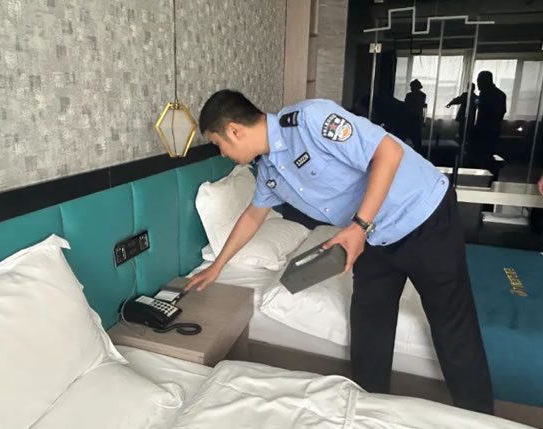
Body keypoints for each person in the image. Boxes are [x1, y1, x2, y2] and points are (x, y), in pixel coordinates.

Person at [186, 89, 494, 414]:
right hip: (371, 234)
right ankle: (367, 413)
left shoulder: (310, 119)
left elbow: (388, 153)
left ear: (234, 130)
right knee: (368, 328)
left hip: (422, 215)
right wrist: (217, 266)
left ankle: (482, 419)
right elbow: (252, 216)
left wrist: (359, 227)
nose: (222, 153)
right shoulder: (269, 173)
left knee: (452, 328)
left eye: (219, 144)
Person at [472, 71, 506, 178]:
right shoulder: (498, 94)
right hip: (489, 130)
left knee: (484, 159)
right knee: (484, 158)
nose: (478, 84)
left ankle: (486, 179)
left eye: (479, 81)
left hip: (487, 131)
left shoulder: (489, 94)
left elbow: (495, 113)